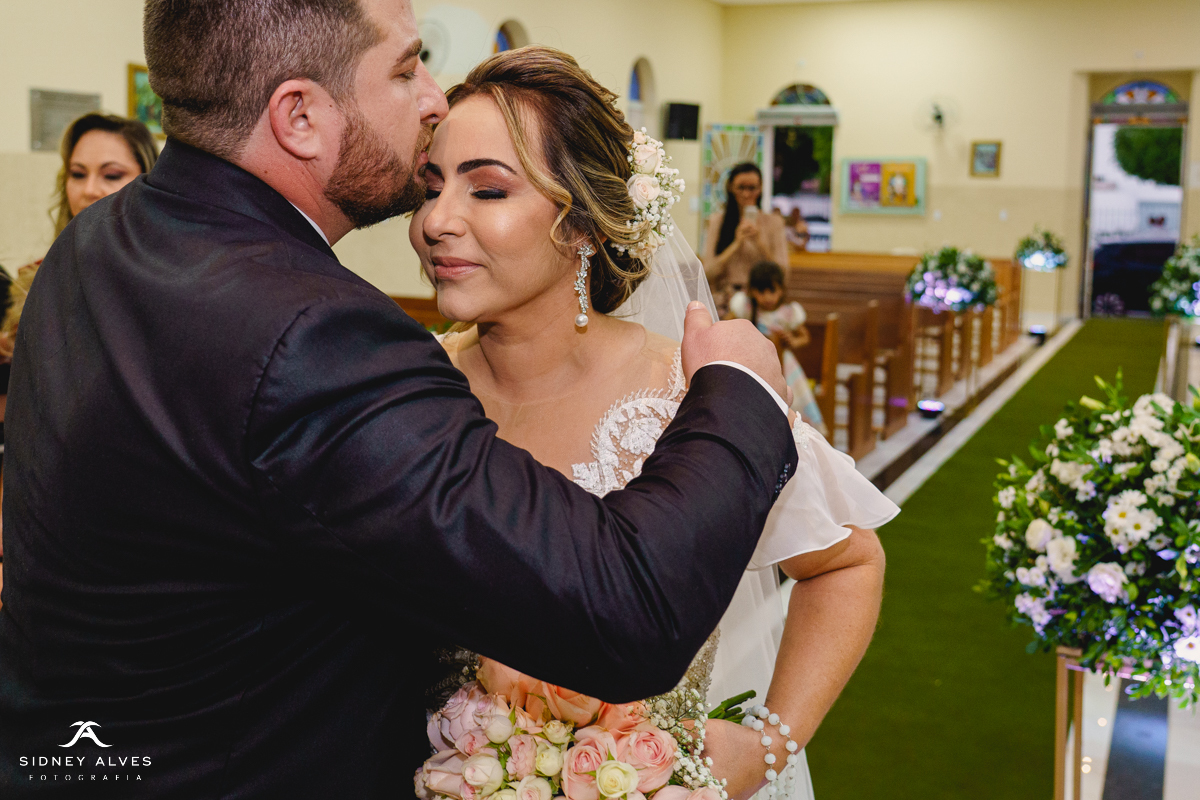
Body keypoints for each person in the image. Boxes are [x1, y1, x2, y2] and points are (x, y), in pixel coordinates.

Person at [0, 1, 800, 797]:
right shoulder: (315, 336)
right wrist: (737, 392)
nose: (431, 97)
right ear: (301, 116)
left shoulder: (94, 246)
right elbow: (627, 609)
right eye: (406, 65)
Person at [411, 47, 895, 800]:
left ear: (580, 225)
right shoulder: (407, 389)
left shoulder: (694, 393)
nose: (437, 221)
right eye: (432, 186)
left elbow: (847, 562)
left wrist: (771, 741)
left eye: (487, 189)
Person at [0, 114, 157, 600]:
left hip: (121, 518)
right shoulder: (36, 278)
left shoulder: (166, 282)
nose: (89, 189)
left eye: (111, 174)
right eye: (77, 173)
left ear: (147, 178)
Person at [729, 261, 826, 435]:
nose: (767, 297)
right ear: (751, 290)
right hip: (753, 362)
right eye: (761, 291)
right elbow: (727, 325)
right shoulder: (746, 308)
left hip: (784, 366)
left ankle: (793, 433)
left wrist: (792, 341)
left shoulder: (788, 313)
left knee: (791, 398)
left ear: (781, 290)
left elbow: (804, 336)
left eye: (772, 291)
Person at [703, 162, 788, 314]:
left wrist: (759, 243)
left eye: (752, 188)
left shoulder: (774, 222)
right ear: (730, 188)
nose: (746, 194)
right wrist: (736, 244)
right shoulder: (718, 221)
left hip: (762, 300)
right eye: (741, 187)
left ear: (760, 189)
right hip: (726, 301)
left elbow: (783, 274)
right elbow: (707, 272)